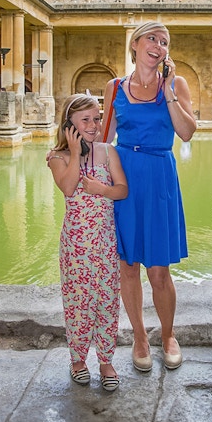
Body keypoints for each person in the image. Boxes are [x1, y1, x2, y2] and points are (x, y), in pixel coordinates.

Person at [101, 21, 196, 372]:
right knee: (128, 268)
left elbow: (186, 133)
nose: (158, 45)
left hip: (158, 177)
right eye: (152, 38)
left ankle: (168, 335)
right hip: (124, 177)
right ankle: (140, 338)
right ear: (135, 44)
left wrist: (169, 90)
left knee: (158, 271)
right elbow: (103, 137)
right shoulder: (114, 87)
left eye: (165, 41)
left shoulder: (176, 84)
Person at [48, 94, 128, 391]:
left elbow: (122, 190)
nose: (94, 125)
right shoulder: (58, 158)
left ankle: (106, 360)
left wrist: (101, 189)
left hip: (105, 241)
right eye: (86, 120)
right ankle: (78, 359)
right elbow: (68, 188)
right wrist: (72, 150)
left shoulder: (108, 152)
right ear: (69, 125)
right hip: (76, 244)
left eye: (97, 118)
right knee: (78, 302)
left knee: (107, 301)